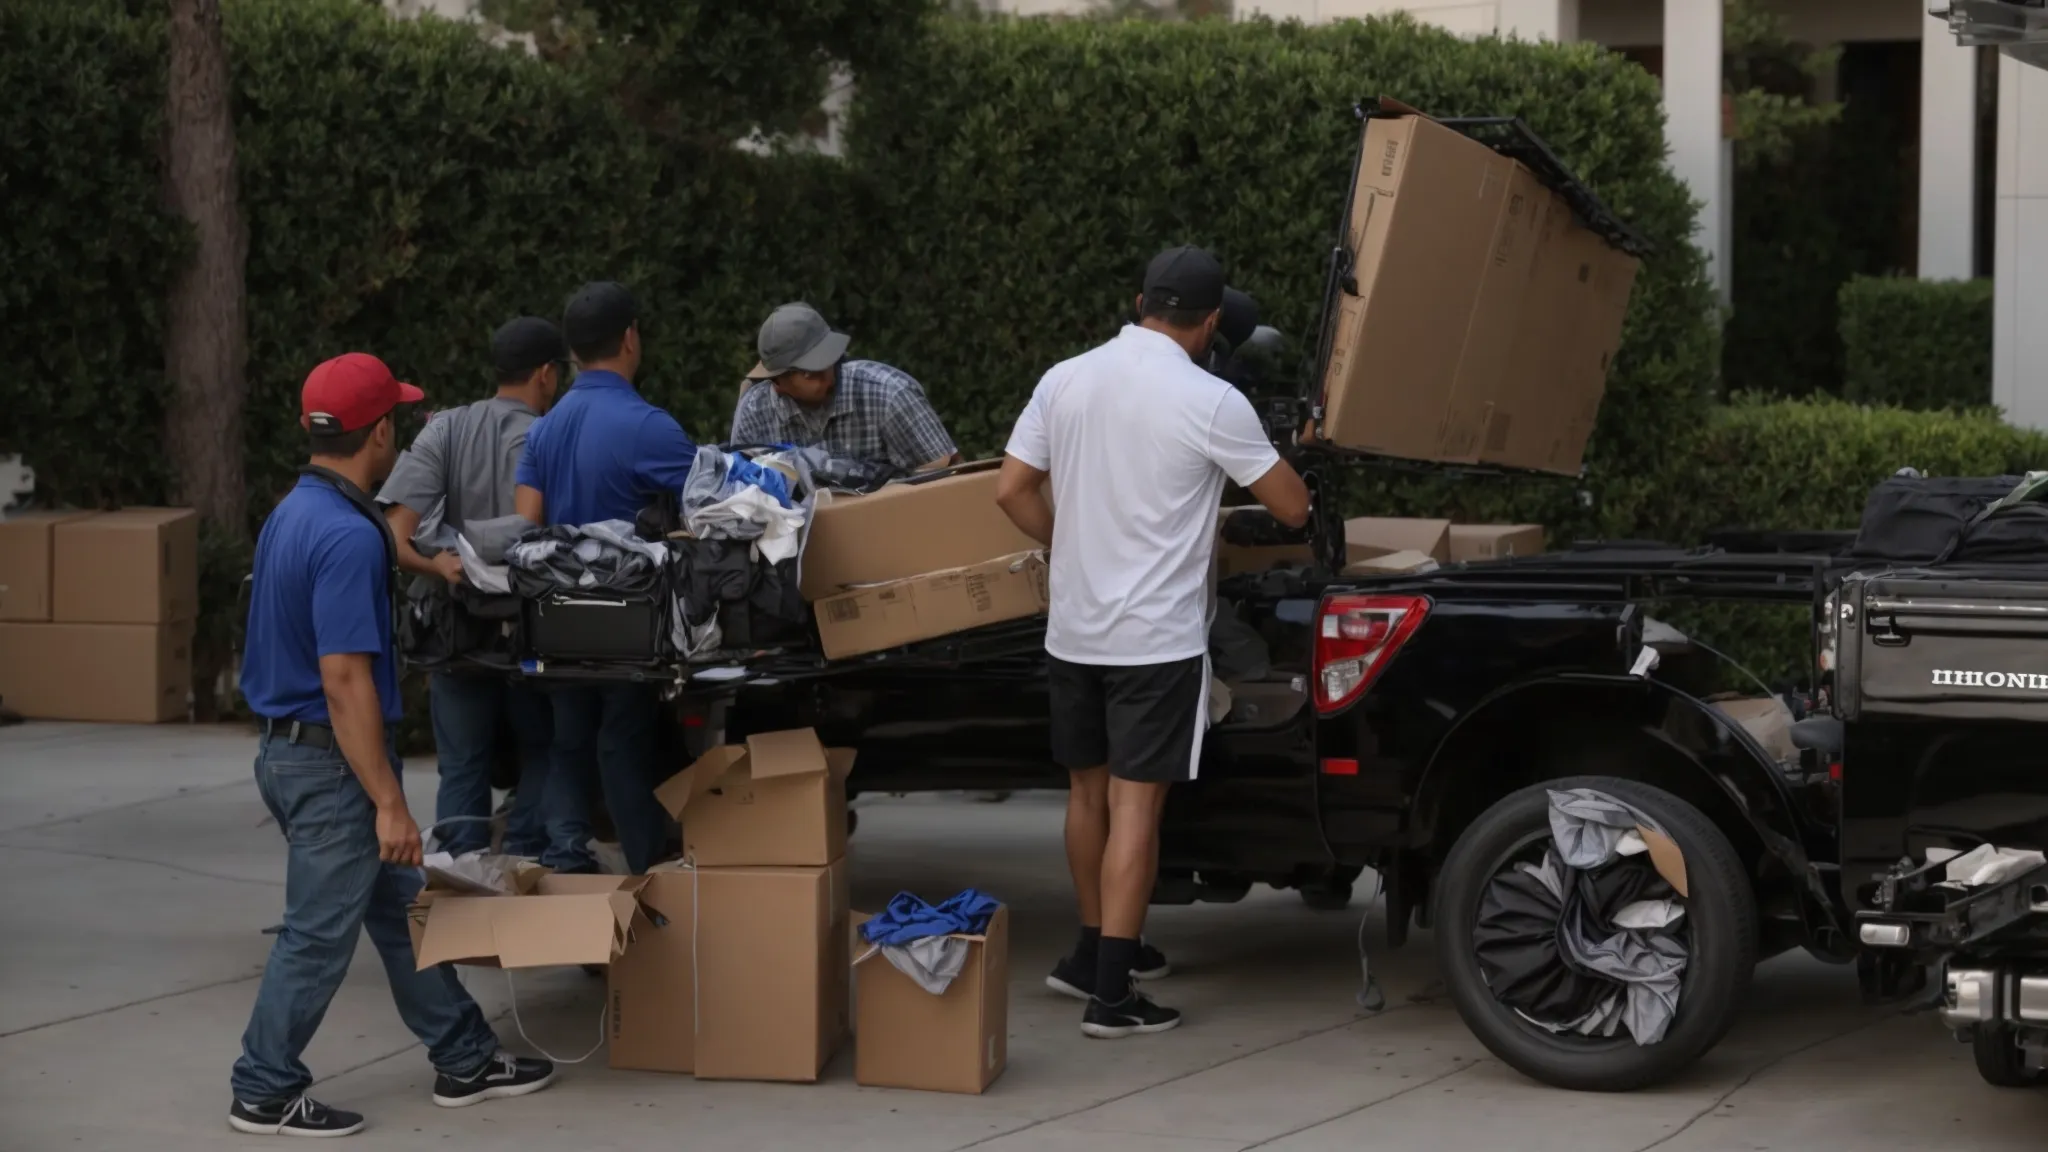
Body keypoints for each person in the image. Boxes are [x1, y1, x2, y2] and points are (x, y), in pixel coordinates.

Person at [231, 353, 553, 1137]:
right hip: (327, 760)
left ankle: (465, 1056)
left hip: (290, 750)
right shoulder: (346, 535)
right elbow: (343, 679)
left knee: (398, 909)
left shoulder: (293, 512)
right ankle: (264, 1087)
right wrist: (387, 801)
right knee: (318, 933)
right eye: (397, 422)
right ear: (379, 432)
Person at [995, 246, 1312, 1039]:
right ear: (1209, 324)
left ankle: (1092, 954)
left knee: (1087, 796)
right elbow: (1294, 508)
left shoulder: (1064, 378)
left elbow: (1010, 488)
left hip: (1074, 630)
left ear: (1140, 300)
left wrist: (1070, 543)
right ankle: (1113, 997)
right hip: (1154, 642)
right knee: (1138, 811)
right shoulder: (1209, 399)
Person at [513, 282, 690, 875]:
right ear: (631, 339)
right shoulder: (649, 426)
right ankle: (647, 871)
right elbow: (710, 508)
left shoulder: (543, 428)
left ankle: (566, 860)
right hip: (628, 620)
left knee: (568, 743)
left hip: (558, 615)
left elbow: (526, 524)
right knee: (623, 742)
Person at [377, 317, 568, 861]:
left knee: (461, 763)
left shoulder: (445, 428)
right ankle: (522, 860)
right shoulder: (550, 437)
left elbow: (394, 537)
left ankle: (461, 881)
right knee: (547, 750)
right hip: (535, 635)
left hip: (453, 631)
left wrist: (441, 567)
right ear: (546, 375)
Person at [730, 302, 960, 473]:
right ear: (778, 383)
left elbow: (951, 473)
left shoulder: (889, 394)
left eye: (826, 362)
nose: (825, 376)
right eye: (811, 372)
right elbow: (741, 492)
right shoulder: (754, 411)